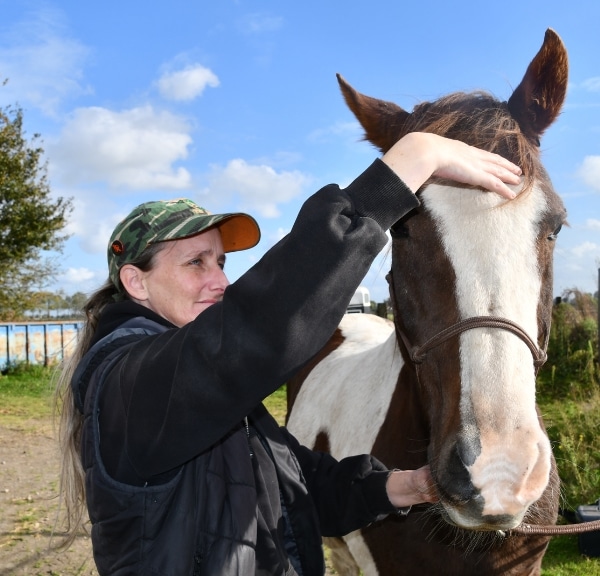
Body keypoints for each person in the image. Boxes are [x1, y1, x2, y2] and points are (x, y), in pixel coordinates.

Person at [55, 131, 521, 576]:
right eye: (194, 262)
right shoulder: (127, 383)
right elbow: (256, 329)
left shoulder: (186, 385)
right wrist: (405, 166)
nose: (219, 281)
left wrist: (402, 486)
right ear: (136, 282)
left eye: (220, 262)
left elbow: (290, 484)